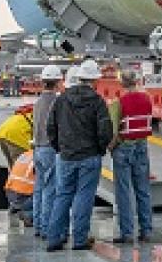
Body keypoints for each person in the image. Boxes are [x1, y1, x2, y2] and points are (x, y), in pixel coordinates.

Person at [44, 59, 113, 251]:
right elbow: (105, 130)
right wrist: (100, 149)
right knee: (84, 196)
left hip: (66, 156)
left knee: (62, 195)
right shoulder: (97, 101)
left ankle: (54, 238)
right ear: (95, 80)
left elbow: (50, 127)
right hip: (89, 156)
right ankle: (80, 239)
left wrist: (59, 148)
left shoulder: (61, 100)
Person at [108, 70, 155, 243]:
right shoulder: (147, 99)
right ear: (136, 81)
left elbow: (113, 131)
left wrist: (111, 148)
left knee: (124, 191)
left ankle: (127, 233)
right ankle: (146, 230)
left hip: (124, 148)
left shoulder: (118, 103)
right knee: (143, 190)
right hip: (142, 146)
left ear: (122, 84)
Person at [31, 65, 64, 238]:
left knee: (39, 188)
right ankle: (46, 228)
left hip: (38, 148)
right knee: (51, 189)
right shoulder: (57, 102)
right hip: (51, 148)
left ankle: (37, 225)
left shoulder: (37, 103)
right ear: (58, 82)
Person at [4, 149, 35, 224]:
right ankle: (30, 214)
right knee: (50, 200)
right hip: (24, 197)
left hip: (10, 194)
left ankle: (15, 206)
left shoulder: (25, 154)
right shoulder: (46, 157)